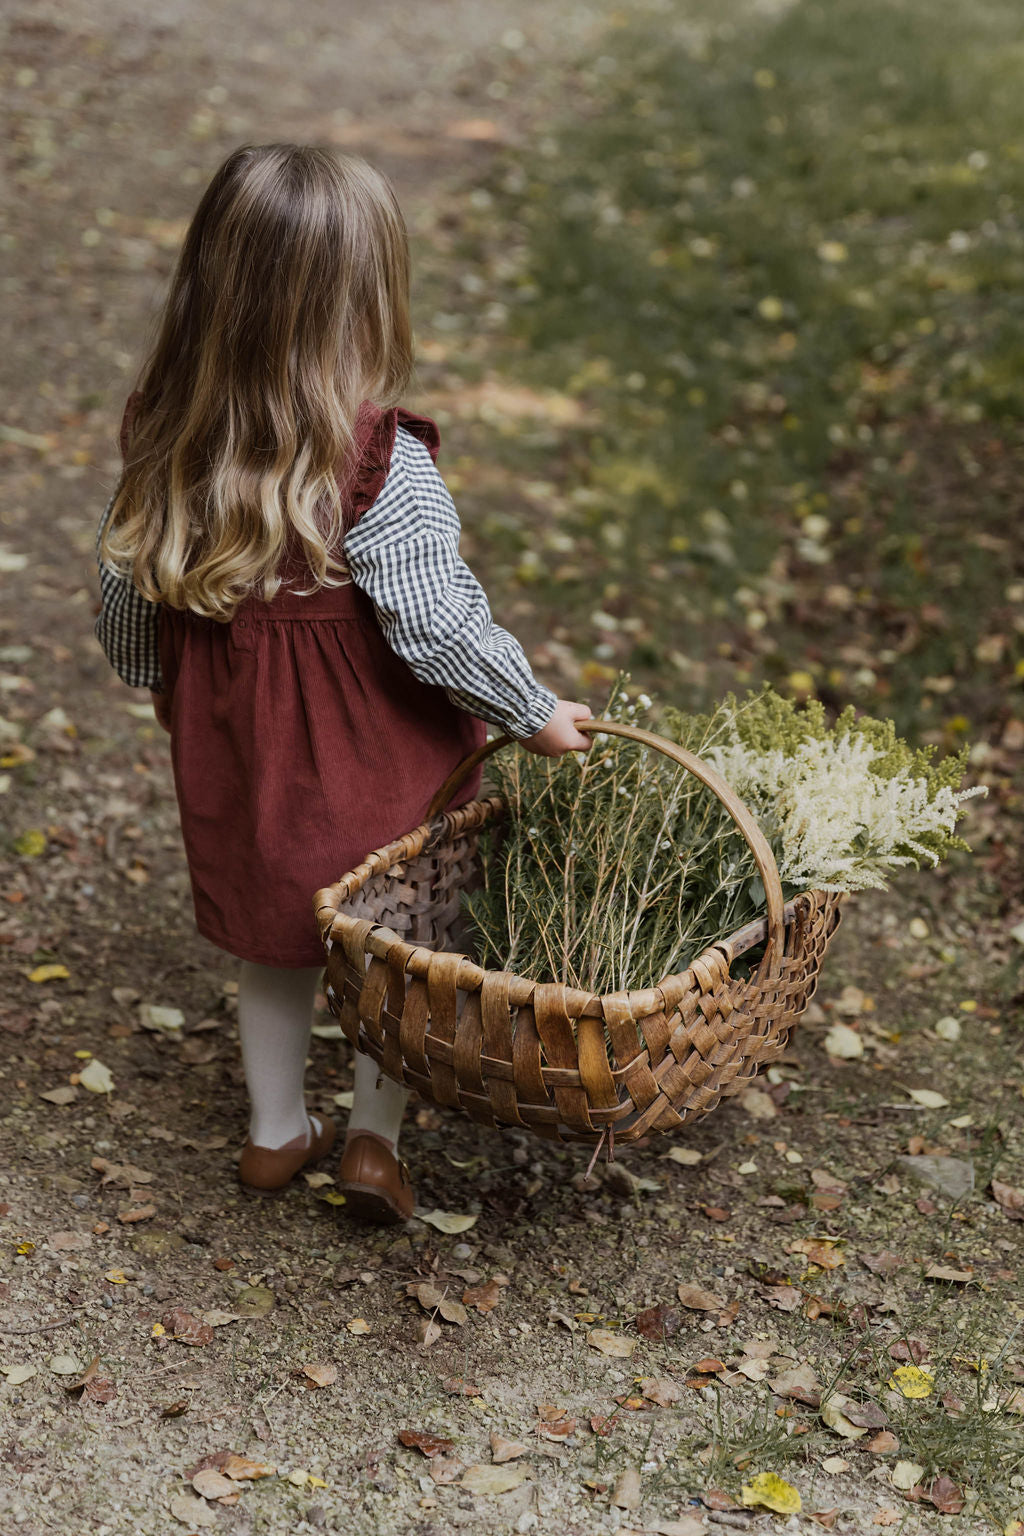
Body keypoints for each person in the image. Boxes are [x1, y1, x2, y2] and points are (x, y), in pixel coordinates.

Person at [95, 144, 591, 1223]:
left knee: (275, 940)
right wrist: (532, 710)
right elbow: (436, 622)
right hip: (380, 758)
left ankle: (275, 1131)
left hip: (246, 751)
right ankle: (373, 1142)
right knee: (393, 950)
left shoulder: (168, 431)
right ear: (361, 305)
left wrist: (152, 671)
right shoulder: (379, 460)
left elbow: (125, 579)